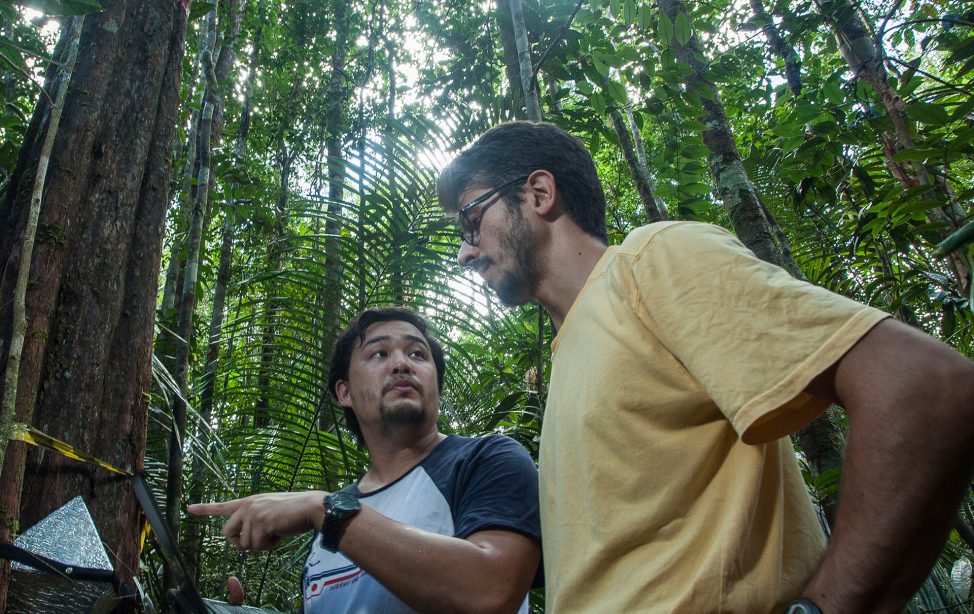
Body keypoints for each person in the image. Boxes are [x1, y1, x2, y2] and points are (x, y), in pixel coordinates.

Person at [436, 120, 974, 613]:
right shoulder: (570, 354)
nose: (465, 251)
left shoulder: (647, 264)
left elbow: (923, 388)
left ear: (538, 193)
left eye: (471, 219)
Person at [189, 306, 542, 613]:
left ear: (437, 383)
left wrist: (323, 510)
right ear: (345, 392)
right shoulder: (333, 522)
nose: (402, 364)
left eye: (418, 354)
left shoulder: (487, 459)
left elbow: (492, 592)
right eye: (379, 354)